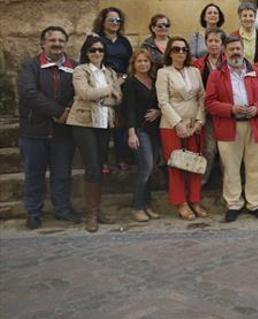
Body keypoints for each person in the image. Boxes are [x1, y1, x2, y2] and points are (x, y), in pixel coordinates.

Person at [205, 36, 258, 223]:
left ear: (243, 51)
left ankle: (255, 204)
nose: (235, 52)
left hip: (254, 125)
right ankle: (234, 204)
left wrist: (257, 108)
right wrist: (230, 109)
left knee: (255, 167)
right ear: (225, 53)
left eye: (238, 49)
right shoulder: (216, 75)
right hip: (229, 126)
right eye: (231, 49)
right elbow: (209, 102)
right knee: (231, 168)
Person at [18, 26, 80, 229]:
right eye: (52, 40)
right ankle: (34, 212)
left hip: (63, 132)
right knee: (34, 174)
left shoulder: (74, 67)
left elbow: (79, 94)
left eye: (61, 40)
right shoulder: (31, 66)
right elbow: (29, 93)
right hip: (34, 130)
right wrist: (57, 111)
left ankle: (62, 209)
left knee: (62, 173)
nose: (57, 44)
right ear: (43, 43)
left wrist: (69, 110)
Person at [68, 35, 122, 232]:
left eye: (100, 50)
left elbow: (118, 100)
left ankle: (98, 210)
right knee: (91, 167)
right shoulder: (80, 70)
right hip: (83, 123)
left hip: (104, 123)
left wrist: (101, 96)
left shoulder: (110, 72)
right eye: (93, 50)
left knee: (100, 167)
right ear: (86, 52)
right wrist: (109, 90)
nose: (97, 53)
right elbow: (84, 93)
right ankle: (90, 214)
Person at [157, 37, 207, 220]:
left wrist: (200, 121)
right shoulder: (164, 73)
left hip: (194, 124)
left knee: (195, 164)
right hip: (172, 125)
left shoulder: (194, 71)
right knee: (176, 165)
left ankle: (195, 200)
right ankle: (181, 202)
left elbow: (202, 97)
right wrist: (177, 124)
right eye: (176, 49)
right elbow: (163, 101)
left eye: (184, 50)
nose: (180, 53)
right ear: (169, 52)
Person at [88, 7, 133, 174]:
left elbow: (131, 64)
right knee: (103, 125)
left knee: (121, 124)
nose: (115, 23)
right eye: (111, 20)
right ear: (103, 22)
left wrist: (121, 81)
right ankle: (103, 161)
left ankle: (122, 159)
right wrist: (108, 84)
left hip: (122, 84)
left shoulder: (124, 42)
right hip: (102, 84)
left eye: (118, 20)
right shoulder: (96, 41)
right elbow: (88, 62)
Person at [123, 49, 162, 222]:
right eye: (139, 61)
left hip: (155, 130)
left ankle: (147, 205)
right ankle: (137, 206)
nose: (143, 64)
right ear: (134, 64)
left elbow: (161, 102)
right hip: (140, 130)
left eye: (146, 61)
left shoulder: (154, 81)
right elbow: (128, 109)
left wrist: (159, 112)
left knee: (151, 168)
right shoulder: (131, 82)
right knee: (145, 167)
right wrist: (132, 133)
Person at [192, 28, 226, 186]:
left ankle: (229, 183)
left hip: (226, 113)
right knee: (210, 149)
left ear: (222, 44)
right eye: (210, 41)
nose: (213, 44)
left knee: (227, 151)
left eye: (217, 41)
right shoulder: (198, 65)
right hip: (207, 113)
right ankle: (202, 181)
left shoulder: (229, 62)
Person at [230, 2, 258, 71]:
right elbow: (228, 55)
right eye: (244, 16)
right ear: (240, 17)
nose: (248, 18)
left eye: (251, 15)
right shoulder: (232, 36)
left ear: (255, 17)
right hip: (237, 73)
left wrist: (252, 67)